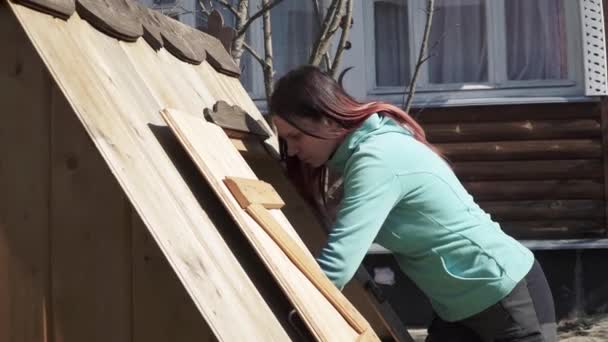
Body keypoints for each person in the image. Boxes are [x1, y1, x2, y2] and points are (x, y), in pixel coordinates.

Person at [269, 65, 557, 342]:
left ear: (328, 119)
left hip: (504, 294)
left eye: (296, 137)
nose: (292, 150)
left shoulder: (377, 159)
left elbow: (338, 265)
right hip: (457, 307)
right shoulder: (369, 153)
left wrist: (279, 318)